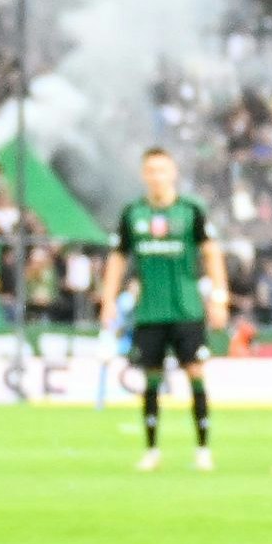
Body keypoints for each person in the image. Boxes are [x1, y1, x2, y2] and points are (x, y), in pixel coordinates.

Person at [101, 147, 229, 472]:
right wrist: (108, 299)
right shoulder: (133, 214)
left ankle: (202, 449)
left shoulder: (191, 211)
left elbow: (212, 253)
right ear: (144, 175)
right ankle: (152, 449)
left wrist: (219, 296)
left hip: (187, 309)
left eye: (162, 170)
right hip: (150, 311)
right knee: (151, 379)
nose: (157, 176)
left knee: (196, 374)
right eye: (151, 170)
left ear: (173, 173)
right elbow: (117, 258)